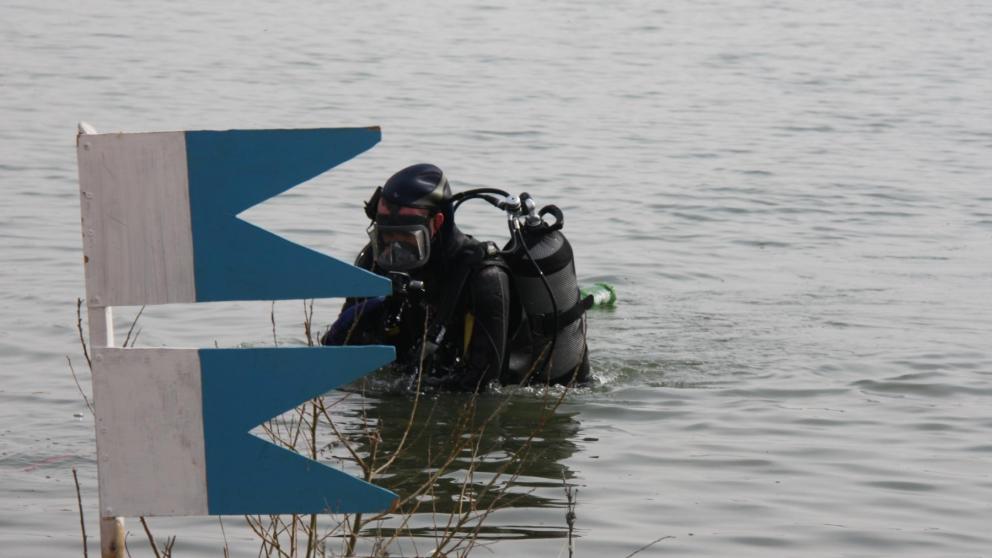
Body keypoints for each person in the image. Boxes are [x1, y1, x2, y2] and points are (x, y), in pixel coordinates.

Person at [321, 163, 589, 391]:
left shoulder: (485, 277)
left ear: (436, 223)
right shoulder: (377, 259)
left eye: (406, 236)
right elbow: (339, 347)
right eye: (385, 235)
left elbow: (484, 383)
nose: (394, 248)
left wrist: (402, 393)